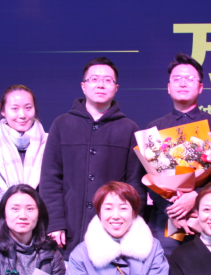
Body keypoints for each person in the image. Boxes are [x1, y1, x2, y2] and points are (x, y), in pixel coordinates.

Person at [39, 57, 146, 256]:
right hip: (68, 230)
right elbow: (50, 178)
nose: (100, 85)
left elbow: (135, 186)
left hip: (113, 231)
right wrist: (54, 222)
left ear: (116, 88)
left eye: (108, 80)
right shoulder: (62, 124)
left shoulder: (129, 129)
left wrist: (130, 226)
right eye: (94, 79)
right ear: (83, 86)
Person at [145, 54, 211, 254]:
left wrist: (196, 196)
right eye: (177, 79)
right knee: (168, 266)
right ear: (168, 87)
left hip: (209, 216)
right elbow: (149, 178)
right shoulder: (155, 128)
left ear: (200, 87)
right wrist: (173, 210)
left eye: (189, 78)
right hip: (167, 218)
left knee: (208, 266)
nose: (182, 83)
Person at [0, 85, 48, 231]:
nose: (22, 115)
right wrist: (13, 210)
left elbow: (56, 186)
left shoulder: (49, 144)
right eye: (14, 109)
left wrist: (31, 212)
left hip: (39, 225)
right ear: (3, 111)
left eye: (28, 108)